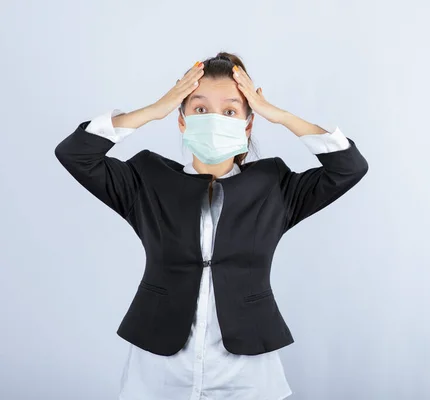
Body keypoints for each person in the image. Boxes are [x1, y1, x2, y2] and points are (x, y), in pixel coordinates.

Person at [54, 52, 368, 400]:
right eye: (200, 109)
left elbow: (348, 168)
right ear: (182, 120)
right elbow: (75, 154)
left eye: (231, 111)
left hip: (247, 368)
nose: (215, 119)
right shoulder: (147, 179)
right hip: (159, 366)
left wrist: (279, 116)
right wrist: (152, 111)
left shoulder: (274, 185)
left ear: (248, 124)